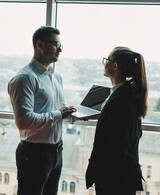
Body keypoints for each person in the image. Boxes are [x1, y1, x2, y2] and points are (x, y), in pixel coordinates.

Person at [8, 26, 76, 195]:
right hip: (33, 155)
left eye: (61, 45)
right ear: (40, 45)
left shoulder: (56, 77)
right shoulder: (25, 78)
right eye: (56, 45)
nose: (60, 50)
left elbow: (57, 113)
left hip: (56, 153)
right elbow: (23, 121)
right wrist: (60, 113)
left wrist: (76, 115)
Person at [85, 46, 148, 195]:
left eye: (107, 60)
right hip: (123, 178)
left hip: (114, 181)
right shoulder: (128, 95)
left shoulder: (120, 101)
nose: (104, 63)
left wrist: (103, 180)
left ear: (115, 66)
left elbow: (118, 148)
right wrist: (104, 117)